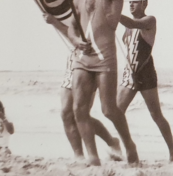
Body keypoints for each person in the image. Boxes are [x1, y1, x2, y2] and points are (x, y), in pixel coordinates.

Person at [48, 0, 138, 165]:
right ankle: (92, 157)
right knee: (79, 109)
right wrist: (75, 39)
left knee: (108, 109)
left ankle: (128, 143)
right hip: (83, 59)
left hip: (104, 58)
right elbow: (71, 25)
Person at [43, 13, 123, 161]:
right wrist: (54, 21)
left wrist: (55, 22)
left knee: (81, 113)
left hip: (90, 63)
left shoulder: (95, 7)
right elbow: (72, 33)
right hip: (73, 61)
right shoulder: (78, 4)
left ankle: (112, 141)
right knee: (66, 114)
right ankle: (79, 156)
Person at [118, 0, 173, 162]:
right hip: (129, 73)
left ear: (144, 4)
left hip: (145, 73)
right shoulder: (127, 27)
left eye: (135, 3)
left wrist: (111, 10)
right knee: (116, 112)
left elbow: (132, 23)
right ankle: (125, 147)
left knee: (156, 114)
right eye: (130, 2)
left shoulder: (149, 20)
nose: (131, 5)